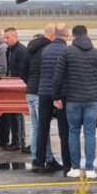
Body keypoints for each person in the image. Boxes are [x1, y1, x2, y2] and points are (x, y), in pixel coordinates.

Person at [52, 25, 97, 179]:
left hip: (73, 99)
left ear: (73, 35)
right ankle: (90, 169)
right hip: (93, 100)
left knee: (73, 132)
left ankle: (75, 167)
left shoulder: (67, 52)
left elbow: (58, 77)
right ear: (87, 34)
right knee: (90, 133)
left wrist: (55, 97)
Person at [23, 23, 59, 172]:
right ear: (51, 35)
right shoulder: (48, 49)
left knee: (36, 126)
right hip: (40, 91)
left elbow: (23, 69)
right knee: (42, 128)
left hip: (30, 90)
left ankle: (43, 157)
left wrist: (29, 82)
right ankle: (42, 158)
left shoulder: (31, 48)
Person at [37, 23, 71, 174]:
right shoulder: (67, 51)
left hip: (43, 92)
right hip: (61, 94)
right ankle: (67, 164)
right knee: (64, 130)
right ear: (66, 35)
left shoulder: (46, 50)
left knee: (42, 128)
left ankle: (39, 162)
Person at [0, 27, 27, 152]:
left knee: (17, 114)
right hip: (12, 85)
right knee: (13, 114)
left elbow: (23, 70)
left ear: (15, 36)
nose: (5, 40)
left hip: (19, 86)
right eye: (4, 37)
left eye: (7, 37)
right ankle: (16, 141)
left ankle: (18, 141)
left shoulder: (21, 51)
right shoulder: (10, 50)